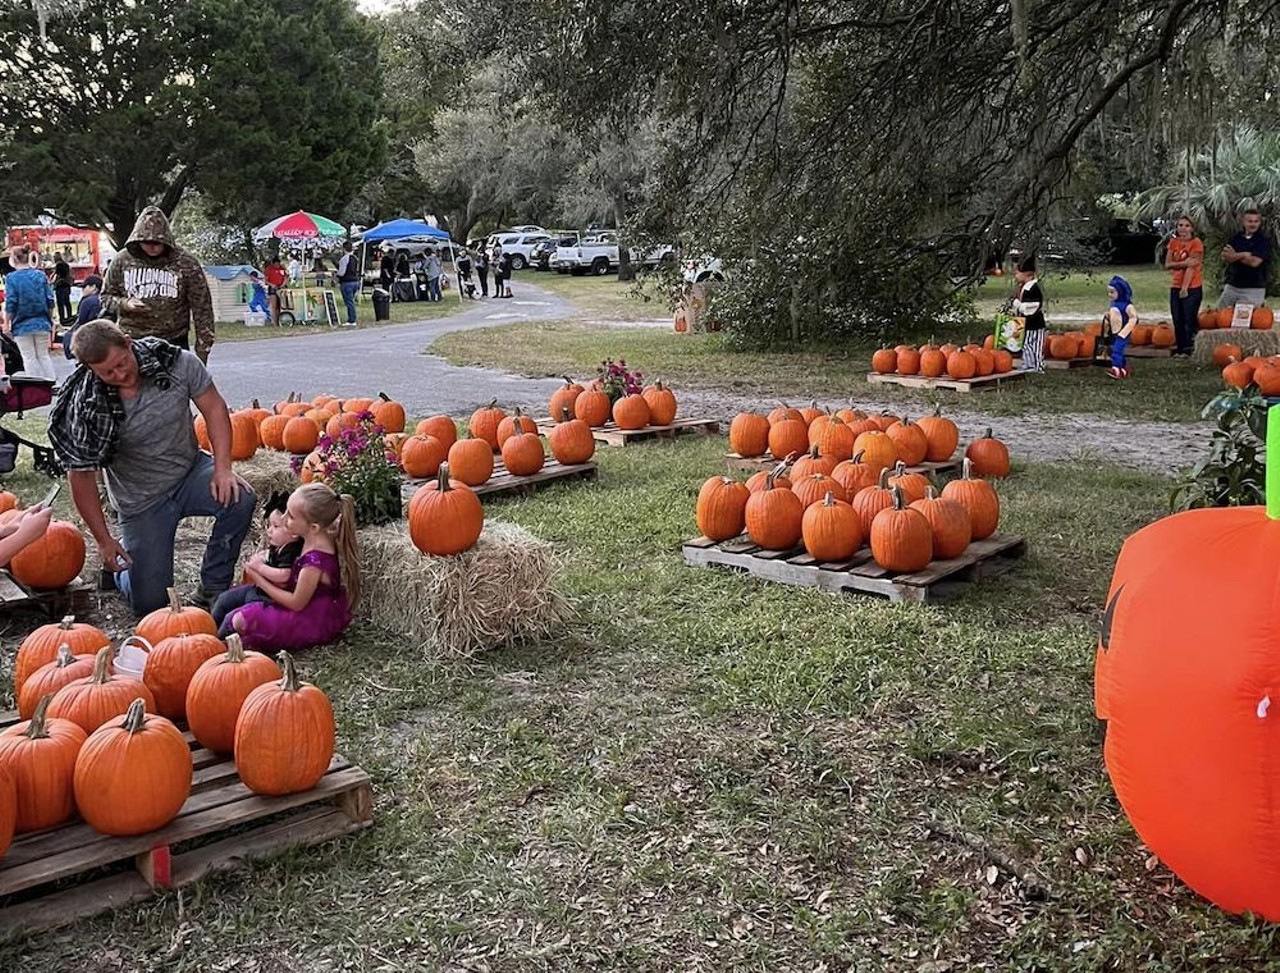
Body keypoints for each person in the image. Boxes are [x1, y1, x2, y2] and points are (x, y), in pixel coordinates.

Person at [47, 319, 257, 614]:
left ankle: (213, 587)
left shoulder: (177, 363)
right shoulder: (84, 406)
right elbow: (80, 477)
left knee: (240, 498)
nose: (120, 374)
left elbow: (214, 408)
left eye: (122, 363)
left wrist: (223, 468)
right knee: (151, 606)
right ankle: (121, 573)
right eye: (108, 372)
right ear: (89, 370)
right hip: (140, 500)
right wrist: (105, 541)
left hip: (190, 471)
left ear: (129, 343)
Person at [223, 482, 358, 650]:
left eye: (291, 516)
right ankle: (217, 638)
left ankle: (220, 647)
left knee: (240, 618)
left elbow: (296, 603)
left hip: (309, 622)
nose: (285, 518)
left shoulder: (314, 563)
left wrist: (258, 578)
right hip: (309, 610)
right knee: (233, 601)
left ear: (313, 527)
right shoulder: (316, 537)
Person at [101, 206, 216, 363]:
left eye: (157, 242)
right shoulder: (122, 260)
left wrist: (202, 352)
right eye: (147, 242)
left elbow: (202, 308)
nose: (152, 247)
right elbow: (105, 297)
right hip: (133, 339)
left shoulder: (186, 263)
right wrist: (125, 303)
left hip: (173, 340)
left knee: (175, 386)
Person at [211, 494, 304, 637]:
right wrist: (261, 557)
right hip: (257, 590)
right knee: (224, 599)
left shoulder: (292, 550)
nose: (269, 530)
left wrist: (260, 567)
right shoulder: (279, 545)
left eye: (276, 526)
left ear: (294, 533)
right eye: (269, 525)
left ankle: (219, 642)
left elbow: (285, 575)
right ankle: (209, 629)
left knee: (232, 617)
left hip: (269, 601)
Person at [3, 244, 57, 381]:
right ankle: (51, 381)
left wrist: (7, 323)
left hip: (21, 324)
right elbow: (50, 300)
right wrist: (49, 319)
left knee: (29, 357)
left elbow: (11, 303)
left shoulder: (11, 278)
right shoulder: (40, 276)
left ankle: (37, 385)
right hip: (42, 322)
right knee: (43, 355)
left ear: (14, 259)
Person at [1165, 215, 1203, 357]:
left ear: (1192, 228)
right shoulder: (1173, 242)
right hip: (1175, 284)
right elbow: (1168, 264)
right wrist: (1183, 263)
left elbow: (1192, 267)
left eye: (1187, 226)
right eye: (1180, 225)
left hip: (1191, 286)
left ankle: (1191, 348)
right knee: (1177, 318)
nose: (1183, 228)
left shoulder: (1196, 243)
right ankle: (1180, 348)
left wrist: (1185, 288)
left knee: (1189, 319)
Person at [1219, 209, 1272, 310]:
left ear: (1260, 223)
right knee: (1221, 317)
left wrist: (1235, 256)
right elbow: (1225, 256)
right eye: (1250, 221)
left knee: (1244, 321)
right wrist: (1245, 255)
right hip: (1232, 286)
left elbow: (1254, 262)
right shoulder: (1236, 238)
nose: (1253, 224)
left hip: (1254, 288)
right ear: (1243, 221)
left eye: (1256, 221)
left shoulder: (1263, 241)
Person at [1011, 254, 1045, 373]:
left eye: (1017, 273)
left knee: (1034, 345)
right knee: (1026, 344)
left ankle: (1036, 366)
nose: (1015, 276)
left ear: (1026, 274)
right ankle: (1028, 363)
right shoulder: (1024, 287)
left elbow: (1032, 307)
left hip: (1035, 323)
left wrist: (1019, 305)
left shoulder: (1033, 288)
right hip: (1026, 323)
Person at [1104, 275, 1138, 379]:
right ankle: (1124, 368)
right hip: (1115, 331)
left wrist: (1125, 331)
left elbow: (1134, 318)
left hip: (1123, 332)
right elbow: (1115, 315)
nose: (1110, 295)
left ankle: (1116, 368)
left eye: (1112, 292)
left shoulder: (1128, 306)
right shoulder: (1113, 304)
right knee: (1115, 348)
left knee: (1117, 350)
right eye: (1109, 292)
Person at [62, 273, 102, 360]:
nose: (82, 290)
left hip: (87, 338)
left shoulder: (87, 301)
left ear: (94, 287)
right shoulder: (104, 300)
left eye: (85, 287)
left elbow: (81, 322)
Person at [335, 241, 361, 325]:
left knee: (349, 302)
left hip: (347, 282)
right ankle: (352, 317)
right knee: (351, 300)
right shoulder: (355, 258)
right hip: (355, 281)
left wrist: (336, 276)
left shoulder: (344, 259)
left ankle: (351, 320)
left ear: (344, 248)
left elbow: (341, 272)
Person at [263, 255, 288, 325]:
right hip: (273, 288)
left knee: (281, 305)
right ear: (273, 263)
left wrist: (283, 284)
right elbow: (266, 281)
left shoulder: (282, 268)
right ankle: (274, 321)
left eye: (278, 264)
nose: (277, 266)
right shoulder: (269, 269)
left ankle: (280, 320)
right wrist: (272, 285)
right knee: (274, 306)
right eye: (276, 265)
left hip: (281, 287)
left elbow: (286, 277)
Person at [51, 251, 73, 328]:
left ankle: (62, 319)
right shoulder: (66, 265)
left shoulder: (58, 265)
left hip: (60, 286)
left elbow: (56, 276)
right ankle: (69, 317)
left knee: (60, 304)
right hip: (67, 285)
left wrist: (52, 282)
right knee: (67, 302)